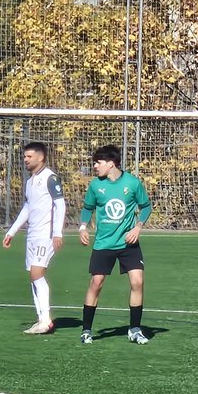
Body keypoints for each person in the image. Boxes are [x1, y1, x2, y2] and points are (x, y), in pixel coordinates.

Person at [78, 144, 152, 346]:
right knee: (96, 283)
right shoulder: (95, 186)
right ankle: (86, 330)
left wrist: (138, 227)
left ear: (111, 163)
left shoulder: (132, 183)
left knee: (137, 282)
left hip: (129, 243)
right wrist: (83, 227)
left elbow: (146, 207)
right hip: (104, 243)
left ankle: (135, 329)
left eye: (98, 162)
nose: (94, 166)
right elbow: (87, 208)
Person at [3, 141, 66, 334]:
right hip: (32, 235)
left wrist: (57, 232)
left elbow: (60, 205)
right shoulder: (30, 181)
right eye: (24, 156)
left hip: (45, 235)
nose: (26, 160)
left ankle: (46, 320)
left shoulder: (50, 178)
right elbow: (28, 208)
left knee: (37, 274)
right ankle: (41, 319)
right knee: (33, 275)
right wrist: (12, 231)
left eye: (29, 157)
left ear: (41, 157)